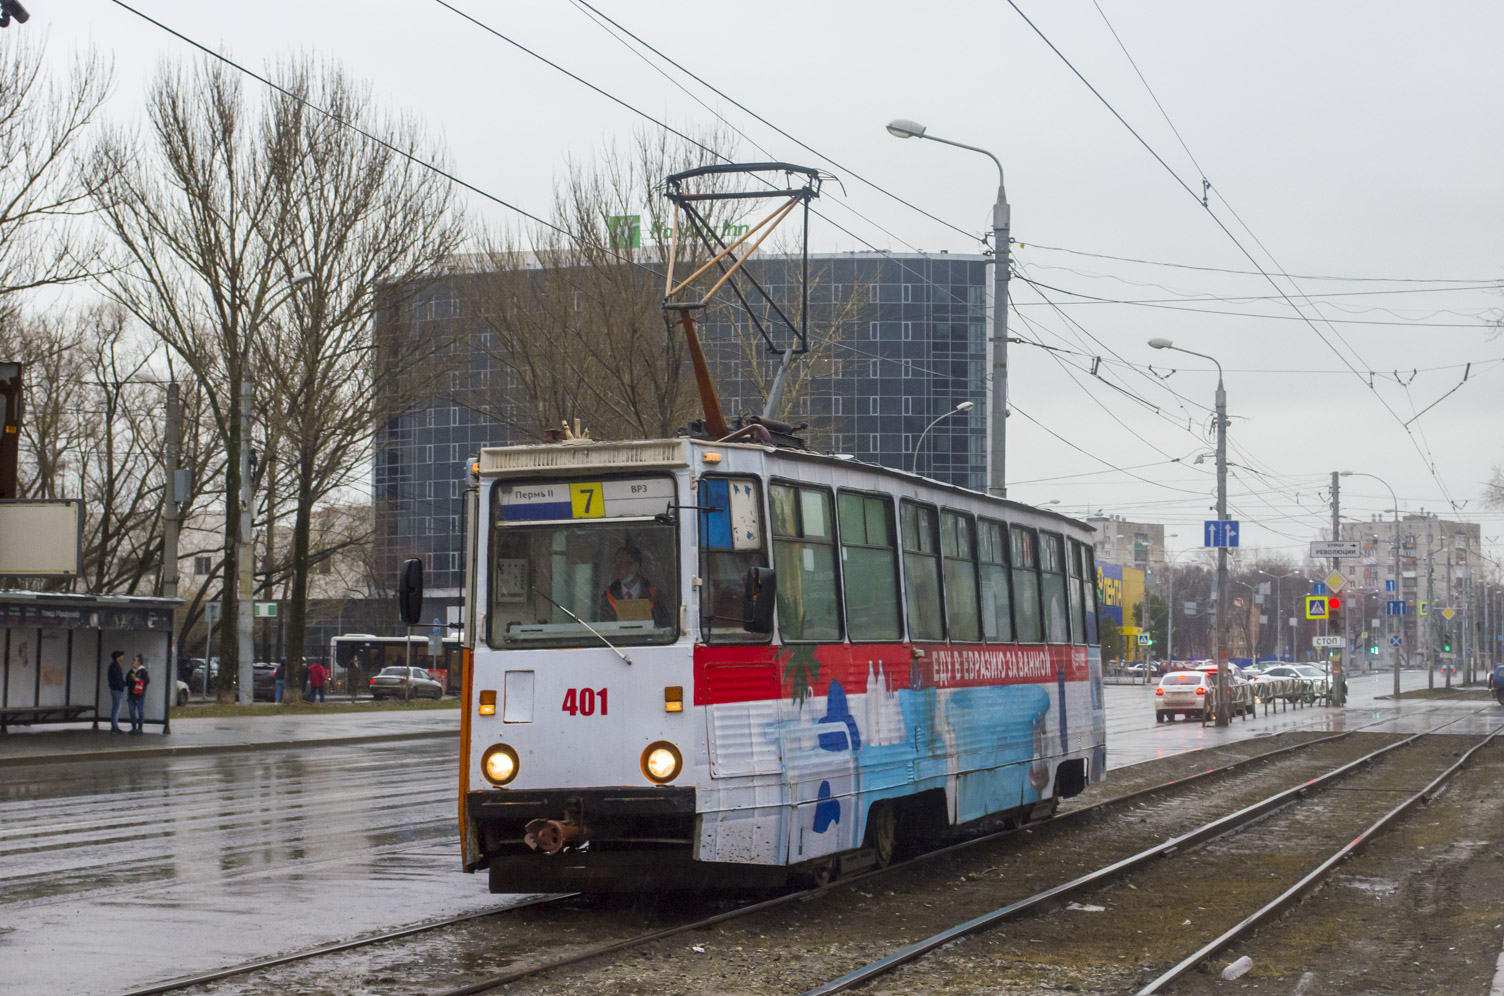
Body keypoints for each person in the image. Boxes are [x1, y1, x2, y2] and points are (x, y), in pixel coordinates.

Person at [598, 546, 668, 626]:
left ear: (635, 566)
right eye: (615, 563)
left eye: (621, 563)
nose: (617, 567)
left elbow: (662, 624)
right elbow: (606, 625)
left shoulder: (654, 595)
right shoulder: (608, 596)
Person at [125, 654, 150, 734]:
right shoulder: (131, 671)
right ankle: (133, 728)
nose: (133, 662)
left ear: (139, 662)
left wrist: (139, 680)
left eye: (134, 660)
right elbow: (127, 680)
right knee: (132, 711)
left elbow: (147, 681)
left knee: (140, 711)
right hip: (131, 694)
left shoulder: (143, 671)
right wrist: (131, 680)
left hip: (139, 694)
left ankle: (140, 728)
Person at [106, 651, 127, 734]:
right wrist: (122, 685)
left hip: (115, 689)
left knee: (116, 708)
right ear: (118, 657)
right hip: (117, 689)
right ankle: (114, 726)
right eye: (121, 656)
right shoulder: (116, 666)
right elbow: (118, 679)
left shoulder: (113, 666)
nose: (123, 657)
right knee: (116, 708)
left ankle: (114, 726)